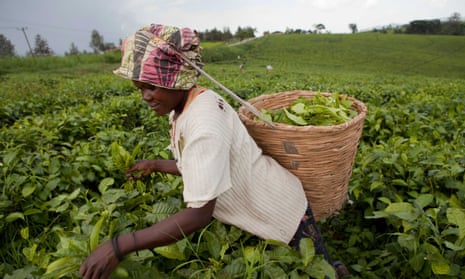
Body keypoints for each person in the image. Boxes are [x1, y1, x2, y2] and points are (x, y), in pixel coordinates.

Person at [79, 23, 349, 279]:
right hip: (258, 208)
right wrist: (156, 164)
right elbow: (200, 164)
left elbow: (198, 214)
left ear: (176, 78)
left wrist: (119, 246)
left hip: (282, 212)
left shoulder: (204, 120)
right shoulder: (186, 104)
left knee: (316, 268)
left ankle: (336, 270)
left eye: (151, 86)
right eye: (140, 89)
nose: (145, 97)